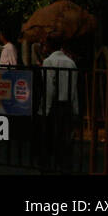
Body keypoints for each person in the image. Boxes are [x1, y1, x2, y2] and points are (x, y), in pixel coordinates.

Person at [42, 39, 80, 170]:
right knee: (65, 137)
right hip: (67, 103)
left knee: (51, 136)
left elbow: (49, 87)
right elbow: (74, 88)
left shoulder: (48, 62)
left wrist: (45, 109)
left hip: (55, 104)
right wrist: (76, 109)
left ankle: (50, 165)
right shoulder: (71, 62)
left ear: (48, 46)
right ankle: (65, 165)